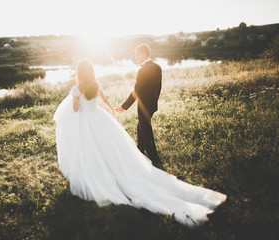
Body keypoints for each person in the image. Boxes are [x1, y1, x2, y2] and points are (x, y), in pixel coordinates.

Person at [53, 59, 226, 227]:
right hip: (99, 119)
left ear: (79, 73)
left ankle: (95, 172)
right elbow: (104, 101)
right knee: (107, 147)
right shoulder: (96, 85)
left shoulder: (76, 89)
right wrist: (112, 108)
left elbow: (76, 110)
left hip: (85, 121)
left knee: (89, 149)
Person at [116, 44, 162, 167]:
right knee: (140, 127)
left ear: (144, 54)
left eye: (137, 55)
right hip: (152, 105)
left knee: (146, 131)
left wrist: (123, 107)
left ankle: (155, 159)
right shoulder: (157, 67)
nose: (135, 57)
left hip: (144, 106)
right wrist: (154, 102)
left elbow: (136, 91)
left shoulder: (143, 70)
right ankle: (140, 150)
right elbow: (158, 88)